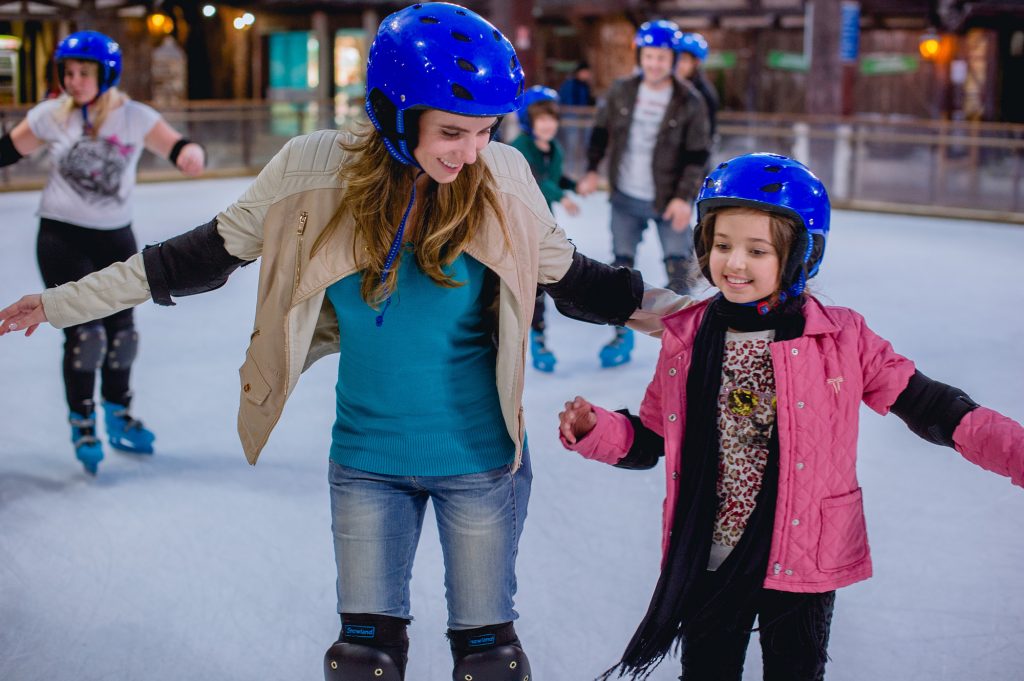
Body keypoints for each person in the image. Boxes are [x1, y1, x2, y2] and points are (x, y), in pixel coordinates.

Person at [0, 4, 686, 680]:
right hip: (367, 462)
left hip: (481, 464)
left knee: (490, 660)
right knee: (363, 662)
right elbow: (192, 256)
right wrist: (60, 302)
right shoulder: (312, 171)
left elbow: (590, 284)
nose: (473, 150)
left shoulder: (501, 176)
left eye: (485, 130)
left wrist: (701, 317)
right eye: (453, 131)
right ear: (393, 115)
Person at [557, 153, 1024, 681]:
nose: (734, 263)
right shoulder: (687, 337)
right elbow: (651, 439)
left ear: (802, 255)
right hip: (711, 552)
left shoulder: (841, 338)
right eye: (722, 245)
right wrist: (597, 430)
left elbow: (937, 408)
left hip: (803, 556)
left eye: (758, 250)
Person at [0, 30, 205, 474]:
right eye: (68, 72)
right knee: (85, 335)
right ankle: (83, 420)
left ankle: (119, 412)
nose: (74, 81)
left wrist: (190, 153)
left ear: (106, 74)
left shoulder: (133, 116)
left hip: (115, 238)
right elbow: (6, 151)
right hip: (61, 237)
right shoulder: (50, 116)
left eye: (83, 73)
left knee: (123, 335)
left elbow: (175, 143)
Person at [575, 19, 710, 368]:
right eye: (649, 56)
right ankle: (621, 334)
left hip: (669, 198)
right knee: (621, 268)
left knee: (679, 267)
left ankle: (684, 340)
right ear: (641, 56)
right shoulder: (621, 91)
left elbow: (698, 155)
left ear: (673, 58)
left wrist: (684, 196)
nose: (655, 63)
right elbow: (601, 133)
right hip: (625, 197)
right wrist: (592, 170)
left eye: (662, 57)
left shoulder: (690, 101)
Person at [510, 85, 580, 372]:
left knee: (539, 282)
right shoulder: (519, 149)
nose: (548, 125)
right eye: (541, 119)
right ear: (529, 120)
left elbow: (555, 177)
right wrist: (562, 195)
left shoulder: (555, 149)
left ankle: (538, 337)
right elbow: (535, 181)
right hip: (515, 223)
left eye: (552, 118)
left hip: (541, 225)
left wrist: (573, 186)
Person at [675, 32, 719, 140]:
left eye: (684, 60)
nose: (679, 65)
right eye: (677, 59)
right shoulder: (671, 86)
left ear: (696, 63)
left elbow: (706, 136)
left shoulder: (704, 94)